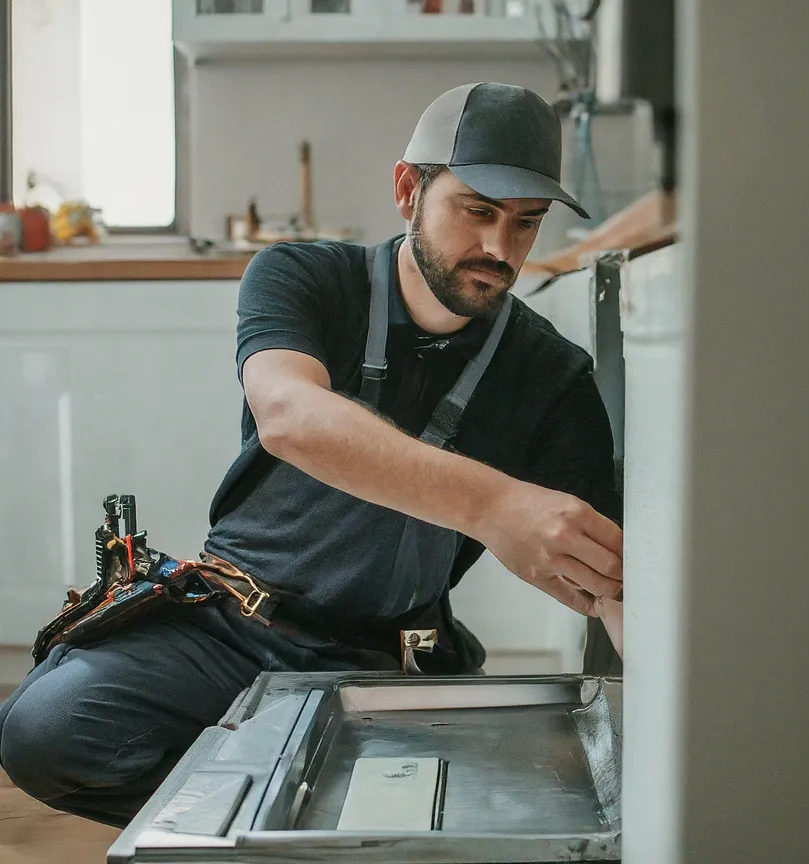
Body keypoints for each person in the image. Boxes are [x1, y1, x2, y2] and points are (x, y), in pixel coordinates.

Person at [0, 82, 623, 827]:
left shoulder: (551, 374)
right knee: (43, 732)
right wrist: (496, 506)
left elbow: (609, 581)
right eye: (478, 211)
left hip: (392, 657)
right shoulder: (304, 278)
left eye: (527, 224)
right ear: (407, 190)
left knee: (435, 813)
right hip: (231, 623)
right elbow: (290, 416)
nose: (500, 248)